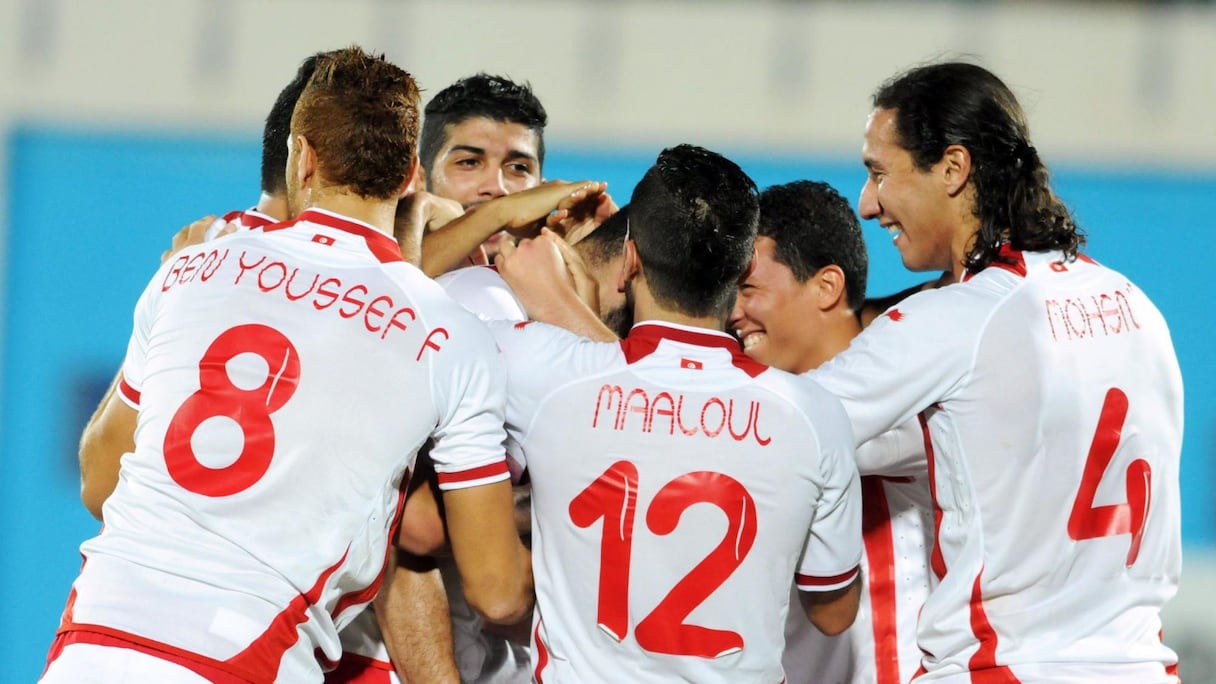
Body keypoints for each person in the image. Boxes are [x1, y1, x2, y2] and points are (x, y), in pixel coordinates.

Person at [43, 47, 532, 683]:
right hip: (244, 657)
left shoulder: (189, 267)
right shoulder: (448, 335)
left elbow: (102, 484)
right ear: (412, 175)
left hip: (94, 641)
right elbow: (497, 591)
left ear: (303, 157)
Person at [807, 61, 1183, 681]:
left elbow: (777, 430)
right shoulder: (1137, 306)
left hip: (1007, 668)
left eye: (879, 173)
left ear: (953, 168)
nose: (868, 204)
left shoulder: (955, 320)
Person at [487, 144, 863, 682]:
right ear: (744, 267)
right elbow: (834, 612)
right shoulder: (815, 414)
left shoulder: (540, 370)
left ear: (630, 260)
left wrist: (504, 227)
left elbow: (412, 306)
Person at [728, 180, 933, 684]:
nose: (732, 312)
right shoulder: (758, 394)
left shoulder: (916, 392)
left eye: (748, 289)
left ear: (826, 287)